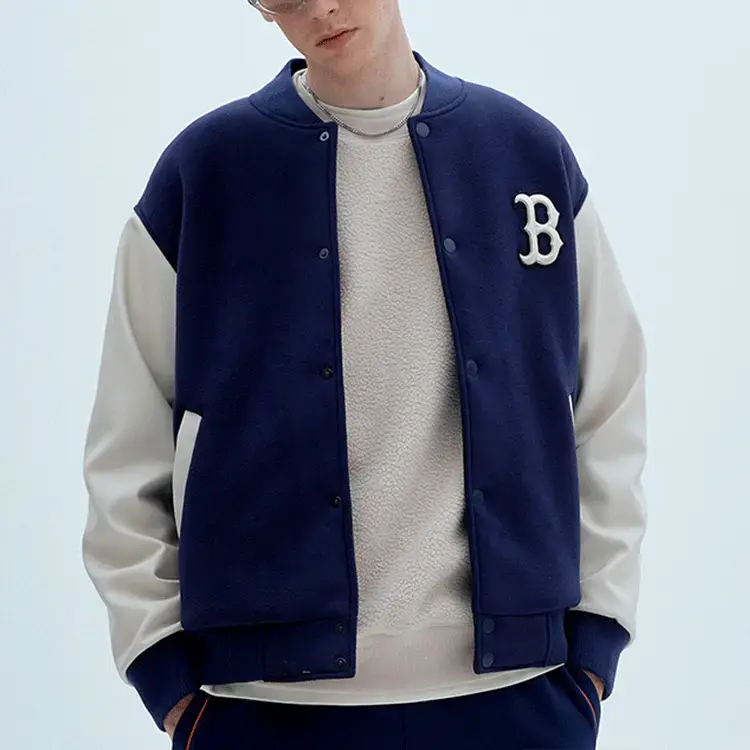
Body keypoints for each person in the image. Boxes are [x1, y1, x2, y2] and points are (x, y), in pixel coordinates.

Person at [80, 0, 648, 747]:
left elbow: (609, 408)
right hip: (263, 710)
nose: (319, 7)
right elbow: (127, 446)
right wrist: (166, 677)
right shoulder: (204, 175)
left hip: (520, 698)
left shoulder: (526, 157)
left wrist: (594, 648)